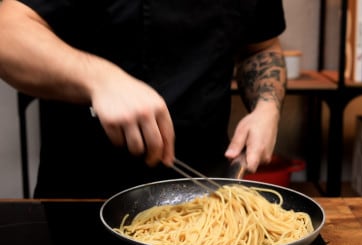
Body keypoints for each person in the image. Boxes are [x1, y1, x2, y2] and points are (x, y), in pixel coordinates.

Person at [0, 0, 287, 198]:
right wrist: (100, 78)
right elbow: (7, 30)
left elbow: (261, 47)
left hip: (206, 188)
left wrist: (267, 107)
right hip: (85, 193)